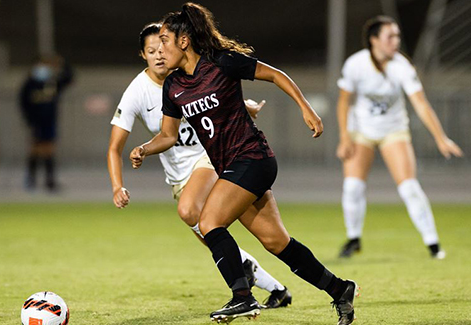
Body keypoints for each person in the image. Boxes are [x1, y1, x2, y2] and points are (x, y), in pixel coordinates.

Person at [129, 3, 357, 324]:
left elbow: (275, 74)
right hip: (233, 168)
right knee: (277, 243)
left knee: (209, 223)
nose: (159, 48)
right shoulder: (174, 86)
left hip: (252, 157)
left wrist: (306, 108)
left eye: (164, 40)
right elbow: (168, 135)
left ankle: (242, 297)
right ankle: (340, 289)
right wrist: (144, 149)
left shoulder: (222, 62)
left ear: (184, 42)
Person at [107, 22, 292, 309]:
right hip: (179, 176)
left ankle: (243, 296)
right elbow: (115, 145)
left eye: (163, 47)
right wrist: (118, 185)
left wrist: (246, 106)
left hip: (212, 158)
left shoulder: (190, 71)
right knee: (219, 239)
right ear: (142, 55)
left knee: (191, 211)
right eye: (151, 50)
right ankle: (276, 289)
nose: (159, 54)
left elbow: (216, 96)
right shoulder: (139, 91)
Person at [336, 16, 464, 259]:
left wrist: (440, 137)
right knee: (352, 186)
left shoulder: (402, 66)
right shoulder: (356, 64)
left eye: (397, 35)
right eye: (390, 36)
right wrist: (345, 137)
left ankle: (433, 244)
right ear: (374, 40)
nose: (396, 41)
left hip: (393, 130)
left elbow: (420, 103)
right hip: (361, 130)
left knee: (408, 187)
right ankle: (353, 239)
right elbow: (344, 102)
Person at [20, 55, 73, 192]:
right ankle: (30, 180)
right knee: (36, 149)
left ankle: (49, 181)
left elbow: (69, 78)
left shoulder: (52, 83)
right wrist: (29, 120)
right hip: (36, 122)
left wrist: (62, 63)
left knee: (49, 150)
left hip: (49, 122)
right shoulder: (30, 84)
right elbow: (23, 103)